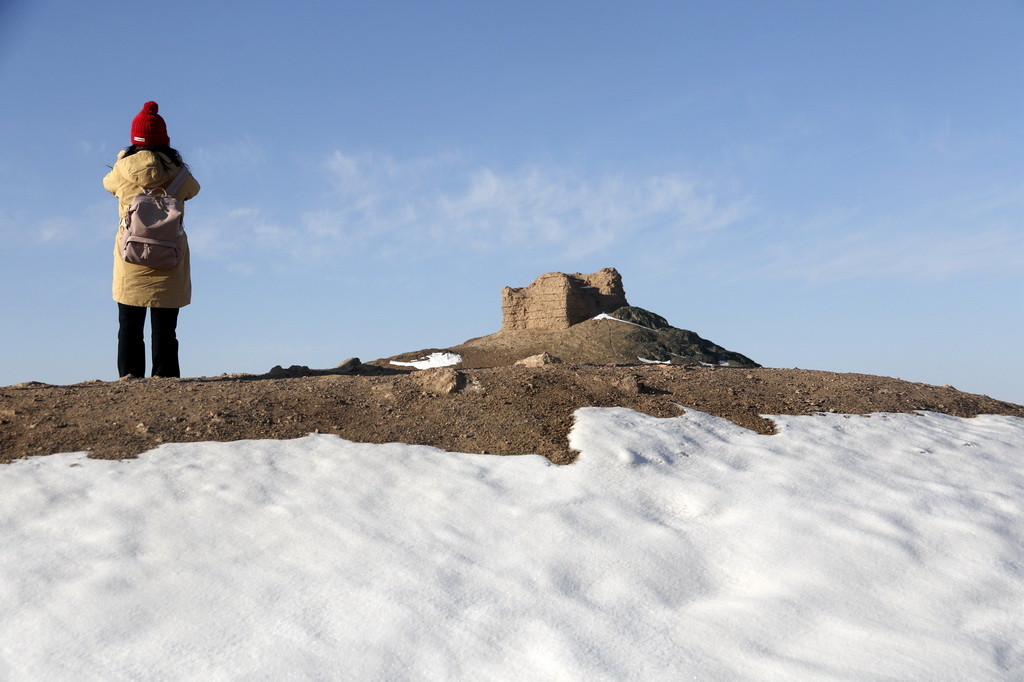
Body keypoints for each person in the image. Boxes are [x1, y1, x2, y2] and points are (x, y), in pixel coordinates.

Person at [103, 101, 201, 378]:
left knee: (129, 327)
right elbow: (194, 190)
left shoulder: (122, 171)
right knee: (165, 328)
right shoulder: (180, 173)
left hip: (131, 257)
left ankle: (130, 379)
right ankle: (165, 379)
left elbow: (106, 183)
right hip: (170, 256)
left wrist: (125, 154)